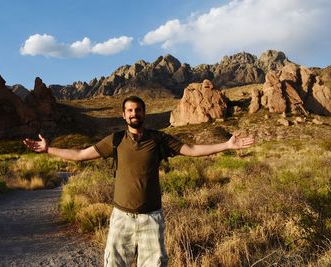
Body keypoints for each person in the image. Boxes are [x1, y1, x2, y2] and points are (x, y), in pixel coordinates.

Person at [23, 96, 254, 267]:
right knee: (114, 264)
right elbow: (81, 155)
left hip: (151, 218)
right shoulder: (114, 140)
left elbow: (192, 149)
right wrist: (49, 149)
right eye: (130, 110)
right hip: (121, 217)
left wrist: (226, 145)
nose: (134, 114)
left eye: (138, 110)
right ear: (124, 115)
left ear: (144, 113)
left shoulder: (158, 139)